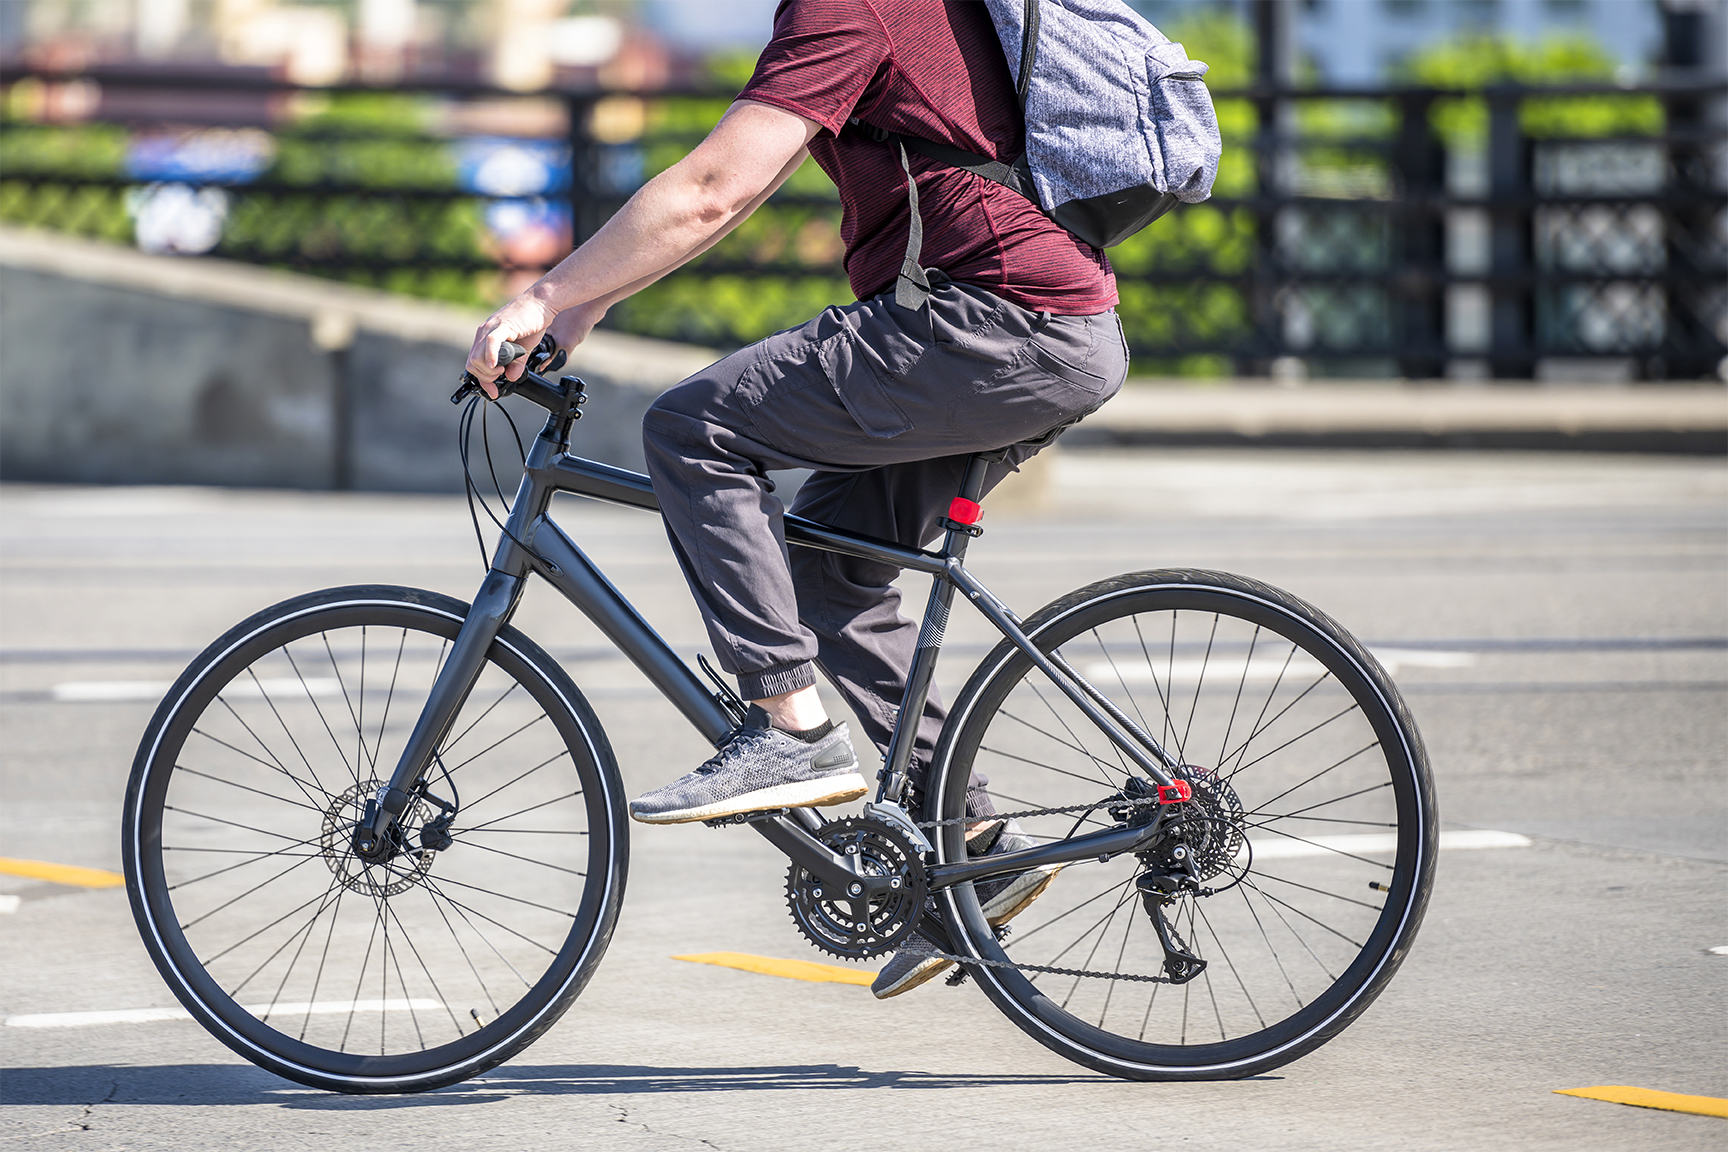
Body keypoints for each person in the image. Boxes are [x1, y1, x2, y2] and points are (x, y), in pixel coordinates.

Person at [464, 0, 1128, 997]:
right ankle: (974, 834)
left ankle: (789, 731)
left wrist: (546, 294)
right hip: (1035, 326)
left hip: (989, 321)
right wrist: (589, 300)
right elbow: (743, 183)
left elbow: (712, 188)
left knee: (694, 430)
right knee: (826, 571)